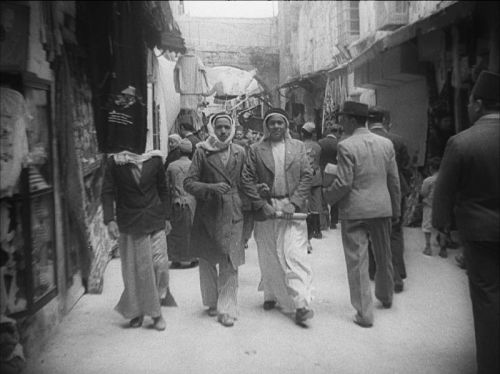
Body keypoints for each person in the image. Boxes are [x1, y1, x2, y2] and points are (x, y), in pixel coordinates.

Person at [433, 70, 499, 374]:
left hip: (480, 234)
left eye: (471, 101)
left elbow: (443, 191)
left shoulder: (462, 142)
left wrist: (440, 228)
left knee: (487, 299)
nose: (469, 107)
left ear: (480, 104)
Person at [323, 101, 401, 328]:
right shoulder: (386, 144)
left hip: (355, 210)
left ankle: (364, 313)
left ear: (349, 119)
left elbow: (344, 182)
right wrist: (395, 209)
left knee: (357, 260)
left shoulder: (346, 146)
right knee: (384, 253)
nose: (340, 122)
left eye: (342, 118)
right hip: (381, 207)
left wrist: (327, 197)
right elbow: (393, 181)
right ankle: (386, 297)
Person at [241, 108, 314, 325]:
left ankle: (301, 304)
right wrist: (261, 203)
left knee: (294, 255)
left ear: (286, 125)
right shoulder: (255, 149)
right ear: (266, 126)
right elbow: (246, 179)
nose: (275, 127)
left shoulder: (298, 147)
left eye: (279, 123)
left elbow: (307, 176)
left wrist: (294, 202)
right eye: (271, 123)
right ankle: (270, 294)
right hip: (267, 209)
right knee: (269, 255)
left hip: (292, 210)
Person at [101, 150, 176, 331]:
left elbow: (163, 190)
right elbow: (107, 192)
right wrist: (110, 220)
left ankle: (155, 302)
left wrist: (167, 216)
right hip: (130, 221)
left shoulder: (155, 160)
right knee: (134, 269)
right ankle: (142, 312)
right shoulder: (116, 162)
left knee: (160, 265)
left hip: (155, 218)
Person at [183, 112, 246, 328]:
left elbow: (246, 183)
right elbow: (188, 182)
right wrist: (210, 188)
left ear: (232, 129)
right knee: (208, 258)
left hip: (234, 213)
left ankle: (227, 307)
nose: (223, 131)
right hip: (208, 212)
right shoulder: (202, 151)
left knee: (231, 259)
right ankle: (211, 301)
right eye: (218, 127)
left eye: (226, 128)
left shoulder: (239, 152)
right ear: (212, 128)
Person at [367, 106, 412, 292]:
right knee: (394, 231)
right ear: (384, 121)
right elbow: (406, 169)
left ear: (367, 122)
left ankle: (374, 270)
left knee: (372, 230)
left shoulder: (362, 140)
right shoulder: (398, 140)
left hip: (372, 191)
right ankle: (397, 273)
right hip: (396, 190)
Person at [165, 139, 198, 269]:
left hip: (176, 201)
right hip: (192, 201)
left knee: (176, 230)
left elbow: (167, 186)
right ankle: (191, 257)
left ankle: (177, 258)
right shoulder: (194, 165)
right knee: (190, 230)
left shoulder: (172, 166)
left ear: (179, 151)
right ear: (190, 151)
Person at [302, 122, 323, 243]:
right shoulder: (318, 146)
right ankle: (318, 230)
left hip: (304, 177)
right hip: (316, 176)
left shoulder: (299, 146)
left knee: (305, 203)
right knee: (317, 203)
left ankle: (307, 229)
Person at [420, 157, 445, 257]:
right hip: (443, 206)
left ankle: (428, 247)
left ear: (431, 168)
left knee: (427, 227)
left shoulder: (428, 180)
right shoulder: (446, 179)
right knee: (442, 227)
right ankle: (443, 249)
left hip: (429, 205)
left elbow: (423, 193)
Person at [319, 122, 341, 229]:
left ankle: (325, 220)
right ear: (336, 132)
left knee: (322, 195)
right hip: (334, 171)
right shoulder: (339, 144)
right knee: (334, 195)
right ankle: (334, 221)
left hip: (322, 171)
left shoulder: (320, 142)